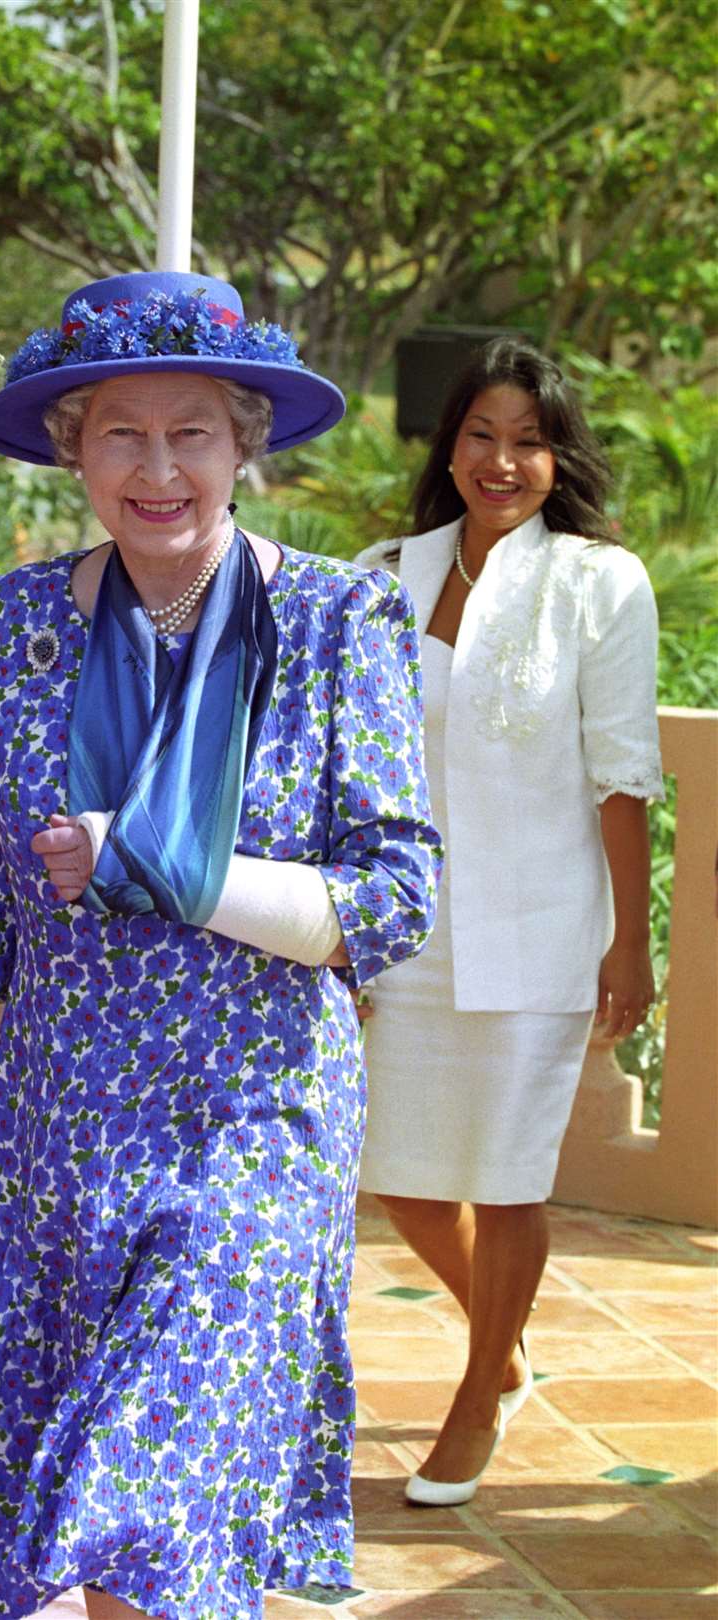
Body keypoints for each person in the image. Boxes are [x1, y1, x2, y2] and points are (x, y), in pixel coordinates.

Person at [0, 269, 442, 1620]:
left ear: (247, 443)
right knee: (75, 1501)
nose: (158, 466)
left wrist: (179, 871)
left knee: (151, 1487)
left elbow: (397, 894)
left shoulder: (341, 623)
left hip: (256, 1124)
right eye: (121, 431)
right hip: (56, 1129)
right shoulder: (16, 623)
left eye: (193, 432)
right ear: (74, 450)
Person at [356, 336, 663, 1506]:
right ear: (450, 447)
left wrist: (628, 943)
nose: (503, 459)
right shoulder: (387, 570)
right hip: (411, 927)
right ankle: (508, 1341)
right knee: (405, 1177)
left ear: (557, 456)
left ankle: (478, 1392)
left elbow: (623, 774)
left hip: (542, 923)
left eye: (529, 440)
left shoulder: (599, 582)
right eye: (482, 435)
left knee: (511, 1178)